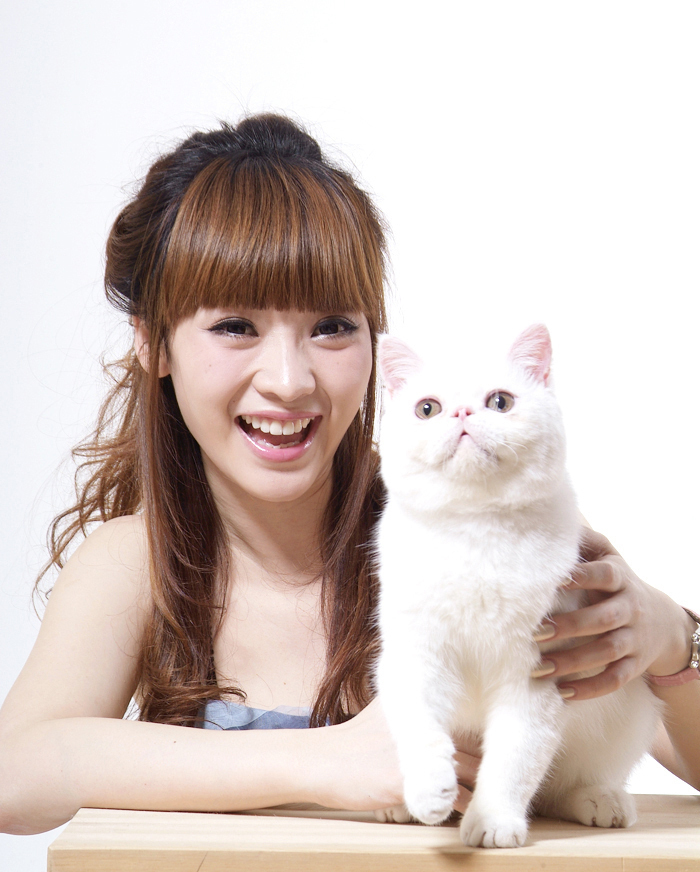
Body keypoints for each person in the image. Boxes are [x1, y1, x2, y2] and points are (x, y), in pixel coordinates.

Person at [0, 114, 697, 837]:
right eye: (235, 327)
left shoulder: (481, 523)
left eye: (332, 326)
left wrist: (673, 641)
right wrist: (323, 761)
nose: (289, 380)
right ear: (154, 344)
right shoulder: (134, 564)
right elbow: (14, 775)